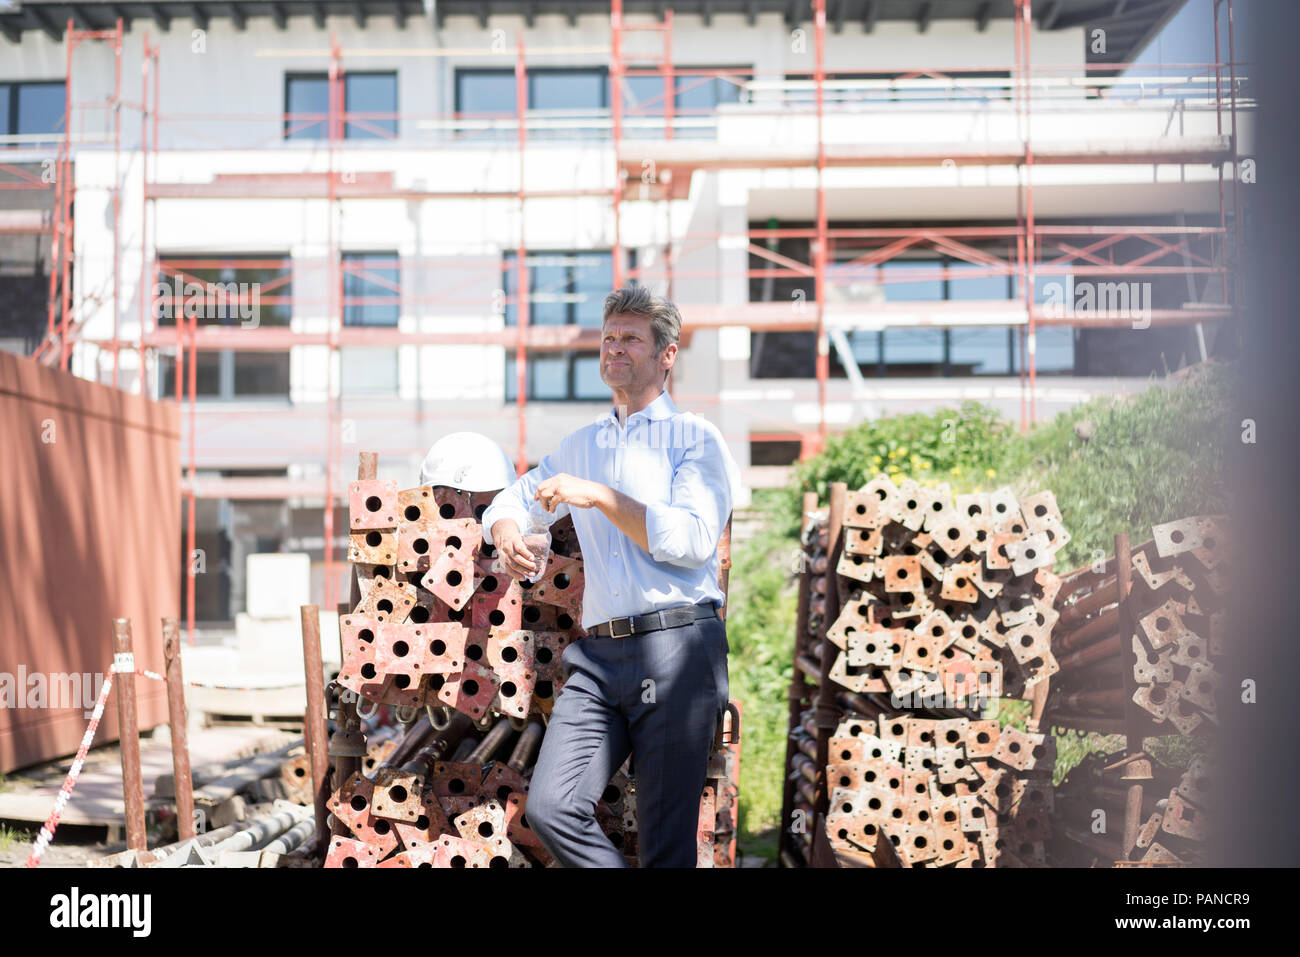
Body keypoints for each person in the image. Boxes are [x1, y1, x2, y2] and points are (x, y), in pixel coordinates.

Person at [481, 285, 739, 867]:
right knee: (551, 806)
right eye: (608, 338)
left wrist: (598, 495)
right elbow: (514, 499)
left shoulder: (695, 439)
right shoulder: (582, 444)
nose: (614, 349)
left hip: (679, 647)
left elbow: (691, 541)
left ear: (667, 355)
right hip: (599, 658)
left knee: (665, 840)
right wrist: (506, 530)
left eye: (631, 339)